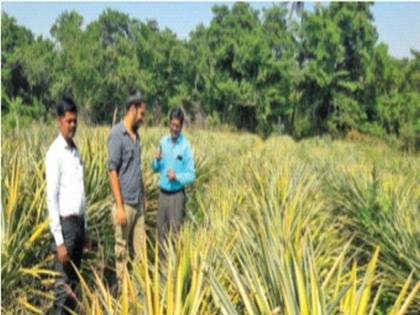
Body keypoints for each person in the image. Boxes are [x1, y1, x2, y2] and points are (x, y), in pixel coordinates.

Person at [45, 97, 90, 314]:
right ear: (59, 121)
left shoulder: (75, 151)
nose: (73, 125)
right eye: (68, 121)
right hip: (65, 228)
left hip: (78, 226)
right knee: (62, 291)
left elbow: (81, 192)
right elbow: (51, 200)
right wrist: (59, 241)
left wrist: (86, 227)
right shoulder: (55, 154)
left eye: (75, 121)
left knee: (73, 286)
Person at [107, 90, 147, 283]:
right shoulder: (117, 134)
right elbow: (112, 170)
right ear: (133, 109)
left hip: (137, 204)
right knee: (122, 252)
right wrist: (120, 207)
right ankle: (123, 296)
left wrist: (144, 195)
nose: (143, 118)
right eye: (142, 113)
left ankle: (140, 293)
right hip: (124, 206)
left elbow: (137, 169)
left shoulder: (136, 136)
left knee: (141, 252)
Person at [152, 107, 195, 257]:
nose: (174, 128)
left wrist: (176, 176)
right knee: (160, 233)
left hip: (177, 196)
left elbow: (191, 174)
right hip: (162, 195)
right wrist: (156, 160)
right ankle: (162, 273)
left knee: (175, 235)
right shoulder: (163, 142)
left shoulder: (186, 145)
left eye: (178, 126)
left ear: (182, 126)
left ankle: (173, 270)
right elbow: (155, 168)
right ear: (169, 123)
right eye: (172, 125)